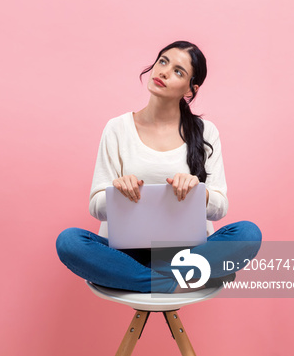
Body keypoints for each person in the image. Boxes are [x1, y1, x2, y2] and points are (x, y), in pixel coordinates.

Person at [56, 41, 262, 293]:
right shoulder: (117, 128)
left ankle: (147, 280)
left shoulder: (206, 132)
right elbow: (96, 208)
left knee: (249, 233)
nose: (163, 71)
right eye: (163, 61)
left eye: (178, 71)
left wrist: (200, 190)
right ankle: (171, 281)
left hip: (186, 253)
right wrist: (116, 190)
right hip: (127, 255)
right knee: (69, 241)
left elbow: (219, 208)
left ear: (191, 89)